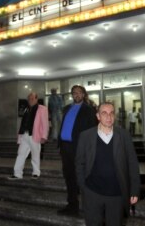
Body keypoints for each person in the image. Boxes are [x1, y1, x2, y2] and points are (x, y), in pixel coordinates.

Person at [76, 102, 140, 226]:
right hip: (92, 192)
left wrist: (134, 190)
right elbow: (80, 163)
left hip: (116, 194)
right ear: (98, 116)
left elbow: (132, 163)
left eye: (111, 113)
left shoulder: (124, 135)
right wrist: (83, 186)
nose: (108, 117)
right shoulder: (86, 136)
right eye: (104, 113)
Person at [57, 85, 97, 216]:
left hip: (79, 149)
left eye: (79, 93)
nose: (76, 95)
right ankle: (72, 206)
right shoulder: (67, 108)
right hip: (65, 148)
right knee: (69, 178)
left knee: (83, 178)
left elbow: (92, 131)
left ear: (84, 94)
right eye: (74, 93)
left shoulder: (89, 110)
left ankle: (90, 208)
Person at [8, 92, 49, 180]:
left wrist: (44, 136)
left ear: (36, 99)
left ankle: (36, 173)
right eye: (29, 99)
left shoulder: (42, 109)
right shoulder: (27, 109)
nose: (30, 100)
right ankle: (17, 174)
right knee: (20, 154)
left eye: (32, 98)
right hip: (24, 135)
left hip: (35, 135)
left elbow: (45, 124)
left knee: (35, 154)